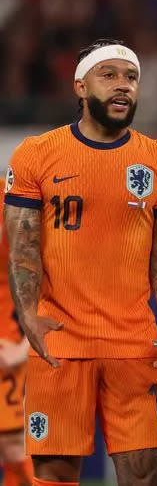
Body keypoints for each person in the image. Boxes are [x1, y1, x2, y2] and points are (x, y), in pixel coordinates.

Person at [4, 38, 157, 486]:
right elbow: (22, 248)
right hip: (60, 345)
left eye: (131, 77)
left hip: (134, 343)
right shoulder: (36, 154)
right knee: (53, 477)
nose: (123, 86)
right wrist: (28, 316)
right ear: (80, 86)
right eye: (109, 75)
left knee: (145, 477)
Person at [0, 182, 33, 486]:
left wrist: (23, 348)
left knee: (14, 445)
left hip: (5, 350)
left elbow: (53, 279)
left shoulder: (10, 203)